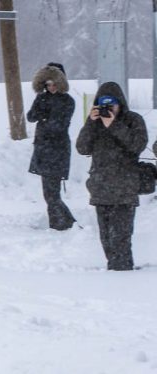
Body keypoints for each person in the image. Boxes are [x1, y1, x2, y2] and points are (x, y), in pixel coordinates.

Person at [75, 82, 148, 271]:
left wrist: (113, 125)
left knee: (121, 237)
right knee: (106, 238)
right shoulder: (95, 123)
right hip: (101, 188)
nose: (107, 109)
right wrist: (90, 123)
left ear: (120, 103)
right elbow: (82, 148)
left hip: (124, 188)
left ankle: (121, 273)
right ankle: (114, 270)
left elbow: (137, 145)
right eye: (103, 104)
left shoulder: (133, 120)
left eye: (111, 104)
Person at [26, 62, 76, 231]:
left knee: (52, 193)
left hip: (58, 150)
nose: (51, 87)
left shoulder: (67, 101)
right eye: (48, 84)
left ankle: (62, 223)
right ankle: (61, 223)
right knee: (48, 192)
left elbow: (60, 125)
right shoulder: (41, 98)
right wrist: (42, 113)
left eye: (54, 84)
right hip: (42, 149)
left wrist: (45, 117)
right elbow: (31, 117)